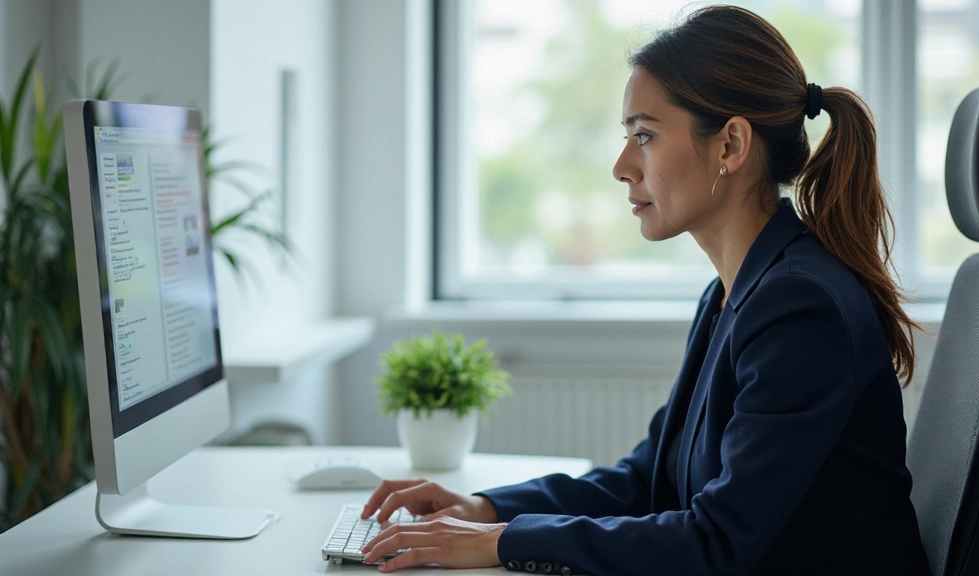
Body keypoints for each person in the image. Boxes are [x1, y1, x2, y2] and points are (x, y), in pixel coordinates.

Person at [358, 5, 931, 575]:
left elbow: (716, 542)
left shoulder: (800, 308)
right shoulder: (732, 294)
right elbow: (649, 477)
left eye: (645, 136)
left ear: (731, 145)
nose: (622, 165)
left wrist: (502, 543)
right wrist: (485, 510)